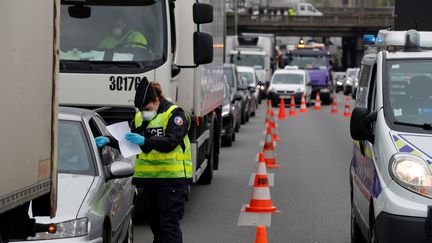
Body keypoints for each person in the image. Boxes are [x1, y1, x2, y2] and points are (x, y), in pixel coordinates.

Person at [95, 78, 192, 243]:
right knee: (155, 225)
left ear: (156, 101)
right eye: (140, 109)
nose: (143, 112)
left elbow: (170, 142)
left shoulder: (175, 114)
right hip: (150, 181)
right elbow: (130, 143)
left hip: (172, 180)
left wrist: (146, 141)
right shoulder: (140, 118)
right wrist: (109, 141)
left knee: (168, 226)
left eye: (146, 108)